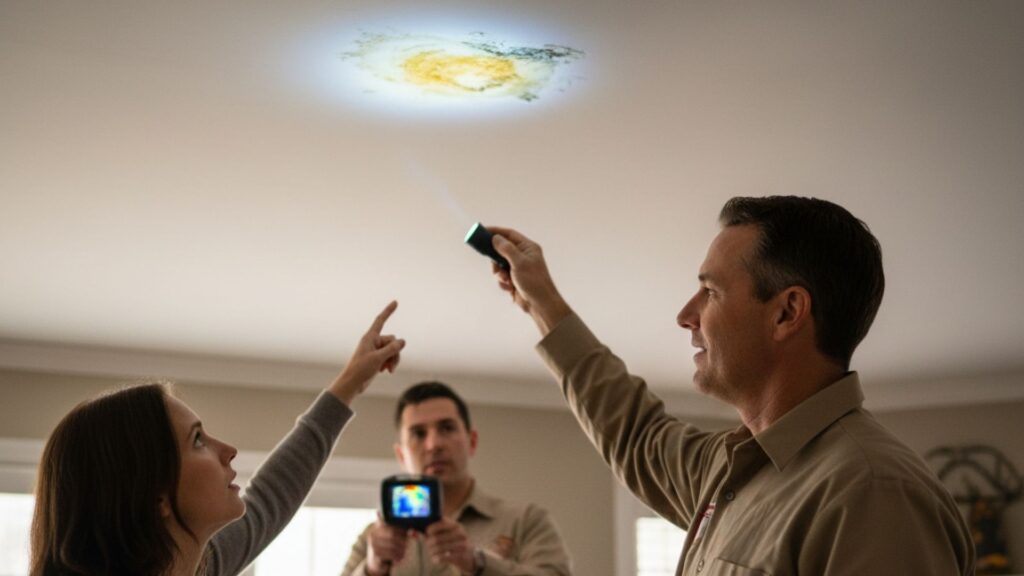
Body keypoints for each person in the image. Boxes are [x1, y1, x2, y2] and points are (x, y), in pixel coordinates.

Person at [483, 197, 976, 575]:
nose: (685, 316)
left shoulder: (872, 492)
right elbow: (634, 433)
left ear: (786, 312)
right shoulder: (730, 471)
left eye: (711, 292)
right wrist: (540, 303)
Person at [30, 301, 405, 576]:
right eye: (197, 441)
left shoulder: (201, 567)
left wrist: (351, 382)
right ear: (154, 494)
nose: (228, 451)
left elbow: (270, 498)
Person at [340, 381, 571, 576]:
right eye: (418, 434)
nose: (434, 445)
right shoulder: (373, 540)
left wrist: (477, 563)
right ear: (401, 455)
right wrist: (372, 569)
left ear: (472, 441)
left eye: (447, 428)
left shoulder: (526, 522)